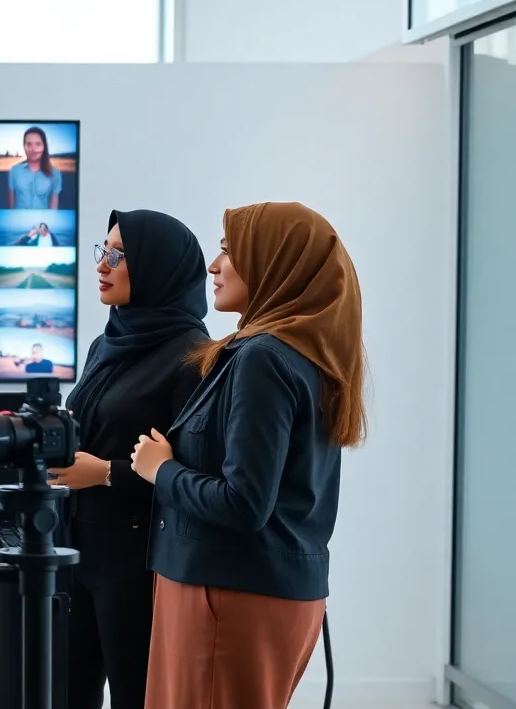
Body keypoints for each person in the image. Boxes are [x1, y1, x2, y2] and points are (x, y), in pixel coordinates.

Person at [132, 201, 365, 709]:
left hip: (227, 593)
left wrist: (161, 470)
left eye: (227, 250)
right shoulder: (302, 356)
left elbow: (244, 503)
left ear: (273, 263)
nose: (213, 267)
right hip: (247, 588)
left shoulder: (263, 358)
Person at [47, 210, 209, 709]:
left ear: (157, 268)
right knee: (66, 693)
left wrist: (104, 473)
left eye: (119, 256)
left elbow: (193, 473)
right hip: (76, 546)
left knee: (136, 695)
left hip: (137, 561)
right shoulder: (106, 343)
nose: (103, 265)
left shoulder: (193, 355)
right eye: (104, 251)